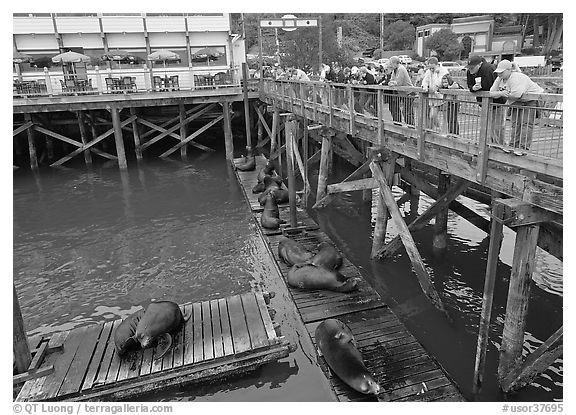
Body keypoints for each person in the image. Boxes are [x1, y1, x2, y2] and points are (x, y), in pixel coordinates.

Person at [490, 59, 543, 150]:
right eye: (498, 72)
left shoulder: (516, 77)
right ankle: (513, 145)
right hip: (517, 101)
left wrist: (502, 93)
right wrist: (501, 93)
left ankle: (523, 147)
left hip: (530, 100)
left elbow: (516, 94)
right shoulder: (501, 78)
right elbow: (491, 92)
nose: (499, 74)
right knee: (515, 124)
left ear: (509, 70)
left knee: (526, 124)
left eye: (501, 72)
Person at [466, 55, 506, 144]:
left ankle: (499, 145)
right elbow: (469, 85)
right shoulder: (470, 72)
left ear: (479, 64)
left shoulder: (488, 68)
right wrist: (473, 88)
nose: (470, 70)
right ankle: (490, 144)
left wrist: (480, 87)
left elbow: (491, 87)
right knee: (487, 126)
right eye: (469, 68)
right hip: (484, 102)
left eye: (472, 68)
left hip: (496, 102)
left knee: (496, 127)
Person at [421, 57, 449, 130]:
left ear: (436, 64)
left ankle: (445, 132)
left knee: (446, 117)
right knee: (432, 116)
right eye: (430, 67)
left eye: (432, 67)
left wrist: (436, 73)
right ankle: (438, 129)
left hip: (443, 97)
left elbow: (441, 82)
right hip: (433, 98)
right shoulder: (428, 71)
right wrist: (425, 87)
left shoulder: (443, 71)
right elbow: (425, 80)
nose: (431, 69)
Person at [387, 56, 415, 126]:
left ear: (395, 63)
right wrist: (392, 82)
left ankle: (411, 127)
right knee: (404, 111)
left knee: (407, 112)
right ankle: (407, 126)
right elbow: (391, 81)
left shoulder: (401, 69)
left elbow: (398, 82)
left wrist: (393, 83)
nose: (390, 65)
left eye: (391, 63)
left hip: (409, 92)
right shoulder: (395, 70)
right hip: (402, 93)